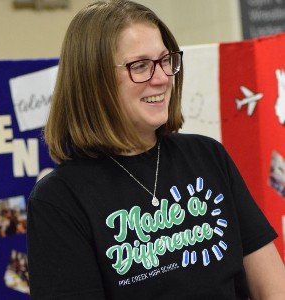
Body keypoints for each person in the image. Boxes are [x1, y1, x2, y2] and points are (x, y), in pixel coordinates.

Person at [27, 0, 285, 299]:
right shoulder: (59, 199)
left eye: (165, 60)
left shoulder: (207, 157)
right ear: (93, 80)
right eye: (140, 66)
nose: (162, 78)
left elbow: (274, 287)